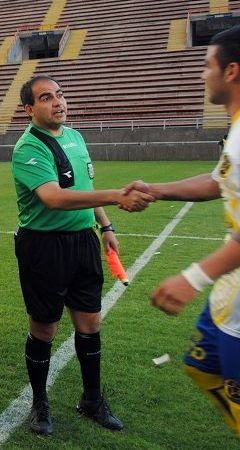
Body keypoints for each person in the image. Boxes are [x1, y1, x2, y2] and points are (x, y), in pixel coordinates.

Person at [11, 75, 154, 435]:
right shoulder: (28, 147)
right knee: (45, 327)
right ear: (29, 109)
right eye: (46, 98)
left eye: (60, 95)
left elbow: (84, 189)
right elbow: (55, 197)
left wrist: (106, 226)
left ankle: (92, 400)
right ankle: (40, 403)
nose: (58, 102)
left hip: (83, 242)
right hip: (44, 247)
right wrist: (115, 196)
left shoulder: (75, 137)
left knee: (90, 323)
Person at [126, 25, 240, 436]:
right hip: (231, 292)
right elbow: (217, 181)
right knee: (200, 366)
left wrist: (193, 278)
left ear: (231, 71)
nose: (202, 74)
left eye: (207, 65)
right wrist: (157, 189)